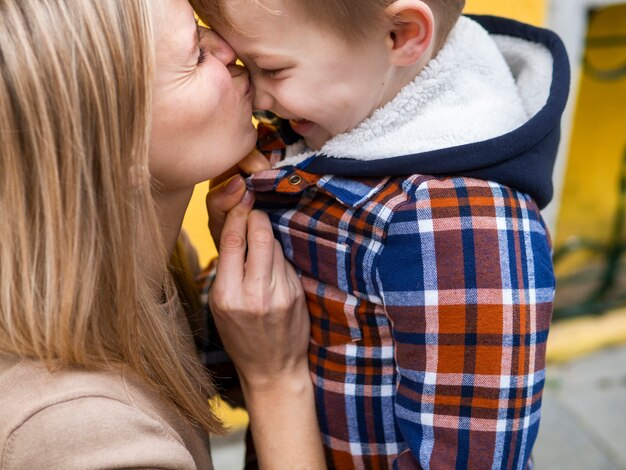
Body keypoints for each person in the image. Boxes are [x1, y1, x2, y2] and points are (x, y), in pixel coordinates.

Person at [192, 0, 571, 468]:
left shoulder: (461, 223)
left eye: (271, 68)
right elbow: (239, 367)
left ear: (401, 34)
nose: (256, 97)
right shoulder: (324, 133)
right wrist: (237, 256)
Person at [0, 0, 325, 468]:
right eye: (196, 53)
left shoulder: (155, 276)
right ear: (118, 149)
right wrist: (276, 378)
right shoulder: (82, 436)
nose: (230, 49)